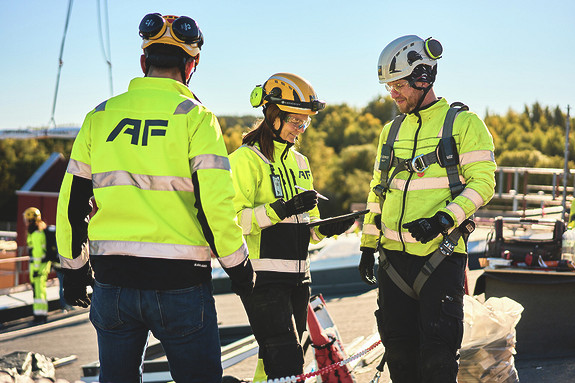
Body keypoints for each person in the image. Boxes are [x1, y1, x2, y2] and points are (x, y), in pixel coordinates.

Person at [56, 13, 254, 383]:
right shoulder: (196, 117)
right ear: (191, 66)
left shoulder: (99, 117)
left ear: (144, 62)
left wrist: (72, 268)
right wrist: (239, 267)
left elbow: (72, 201)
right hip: (179, 286)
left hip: (112, 284)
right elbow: (215, 207)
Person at [358, 35, 496, 382]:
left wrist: (443, 219)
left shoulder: (464, 124)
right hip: (393, 262)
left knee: (437, 357)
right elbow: (378, 192)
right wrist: (366, 245)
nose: (393, 93)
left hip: (441, 257)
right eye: (390, 86)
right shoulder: (389, 131)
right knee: (400, 357)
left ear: (423, 77)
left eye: (399, 85)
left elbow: (483, 183)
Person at [229, 73, 355, 381]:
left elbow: (309, 228)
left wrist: (328, 228)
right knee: (286, 361)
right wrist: (280, 210)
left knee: (275, 359)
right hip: (263, 279)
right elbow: (233, 221)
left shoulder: (300, 162)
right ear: (273, 115)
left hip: (300, 278)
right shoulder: (244, 160)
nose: (300, 129)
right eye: (294, 121)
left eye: (305, 123)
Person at [23, 207, 51, 324]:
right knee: (40, 291)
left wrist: (35, 269)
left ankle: (39, 316)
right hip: (42, 265)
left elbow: (37, 253)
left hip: (38, 267)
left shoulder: (35, 234)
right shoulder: (39, 231)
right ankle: (41, 314)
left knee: (38, 292)